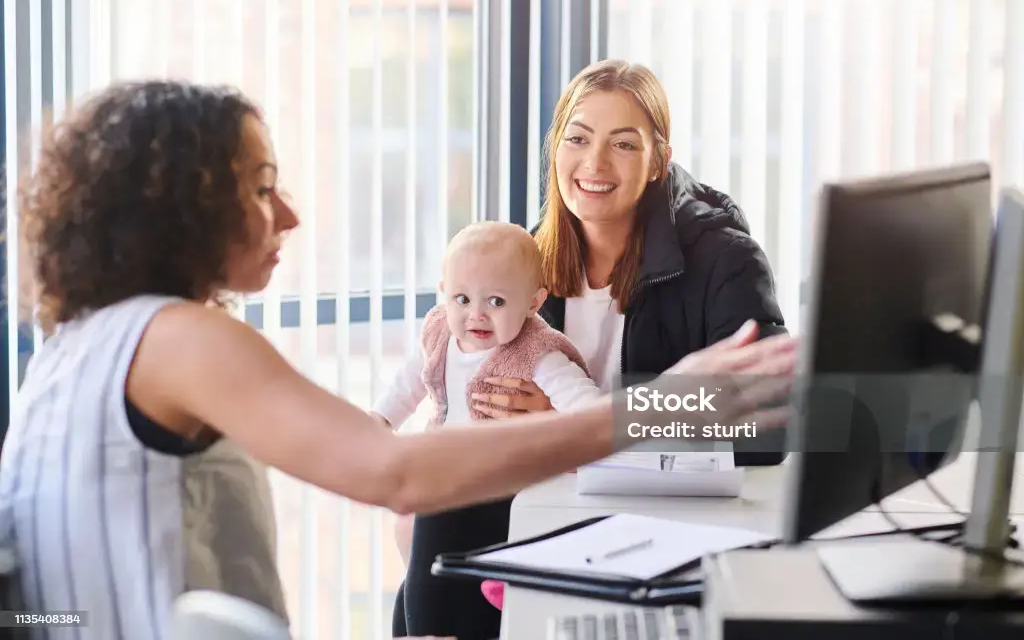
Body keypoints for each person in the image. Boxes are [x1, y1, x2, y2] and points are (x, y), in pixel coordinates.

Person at [0, 80, 797, 640]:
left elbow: (396, 450)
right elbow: (395, 470)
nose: (292, 213)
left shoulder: (88, 338)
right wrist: (663, 405)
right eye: (262, 187)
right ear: (185, 206)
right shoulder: (176, 339)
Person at [395, 59, 790, 640]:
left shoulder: (723, 261)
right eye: (577, 139)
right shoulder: (523, 263)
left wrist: (577, 428)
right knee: (436, 517)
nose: (594, 164)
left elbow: (768, 426)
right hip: (537, 502)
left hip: (652, 511)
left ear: (658, 159)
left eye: (623, 145)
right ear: (556, 147)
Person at [371, 220, 604, 565]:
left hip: (505, 484)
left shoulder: (537, 354)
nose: (476, 315)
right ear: (443, 292)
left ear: (533, 303)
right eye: (462, 299)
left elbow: (591, 410)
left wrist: (557, 426)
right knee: (407, 525)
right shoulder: (440, 335)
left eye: (496, 301)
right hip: (445, 472)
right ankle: (420, 581)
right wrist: (381, 420)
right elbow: (408, 383)